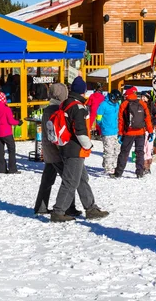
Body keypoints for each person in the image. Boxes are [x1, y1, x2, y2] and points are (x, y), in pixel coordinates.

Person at [50, 77, 109, 222]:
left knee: (82, 179)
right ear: (83, 91)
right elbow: (80, 131)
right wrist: (88, 145)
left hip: (65, 145)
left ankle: (90, 208)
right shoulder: (78, 107)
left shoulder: (65, 103)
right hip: (75, 149)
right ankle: (58, 211)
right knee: (71, 181)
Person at [34, 83, 79, 216]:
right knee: (69, 179)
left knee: (47, 180)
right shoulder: (56, 109)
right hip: (56, 151)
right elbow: (56, 132)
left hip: (49, 150)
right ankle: (67, 207)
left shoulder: (49, 108)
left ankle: (40, 206)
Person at [112, 87, 153, 179]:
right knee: (140, 152)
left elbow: (121, 121)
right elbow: (147, 119)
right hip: (141, 132)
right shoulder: (142, 103)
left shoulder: (124, 104)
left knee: (124, 152)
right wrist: (150, 131)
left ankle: (118, 173)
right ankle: (140, 172)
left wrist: (120, 133)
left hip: (128, 133)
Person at [0, 91, 22, 174]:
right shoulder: (6, 109)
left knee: (0, 151)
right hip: (6, 132)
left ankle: (2, 169)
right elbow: (11, 121)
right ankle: (12, 169)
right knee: (11, 150)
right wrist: (18, 122)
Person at [96, 89, 121, 175]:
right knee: (109, 150)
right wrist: (103, 125)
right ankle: (108, 168)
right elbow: (98, 118)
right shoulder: (103, 105)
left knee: (116, 150)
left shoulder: (117, 105)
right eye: (115, 99)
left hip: (116, 130)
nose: (116, 101)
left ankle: (112, 165)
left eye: (117, 100)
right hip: (107, 131)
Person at [140, 91, 156, 174]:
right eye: (142, 96)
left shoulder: (151, 106)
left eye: (145, 97)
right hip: (141, 129)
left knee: (148, 148)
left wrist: (153, 121)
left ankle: (147, 167)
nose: (143, 98)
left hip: (149, 129)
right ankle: (142, 166)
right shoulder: (139, 105)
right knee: (142, 148)